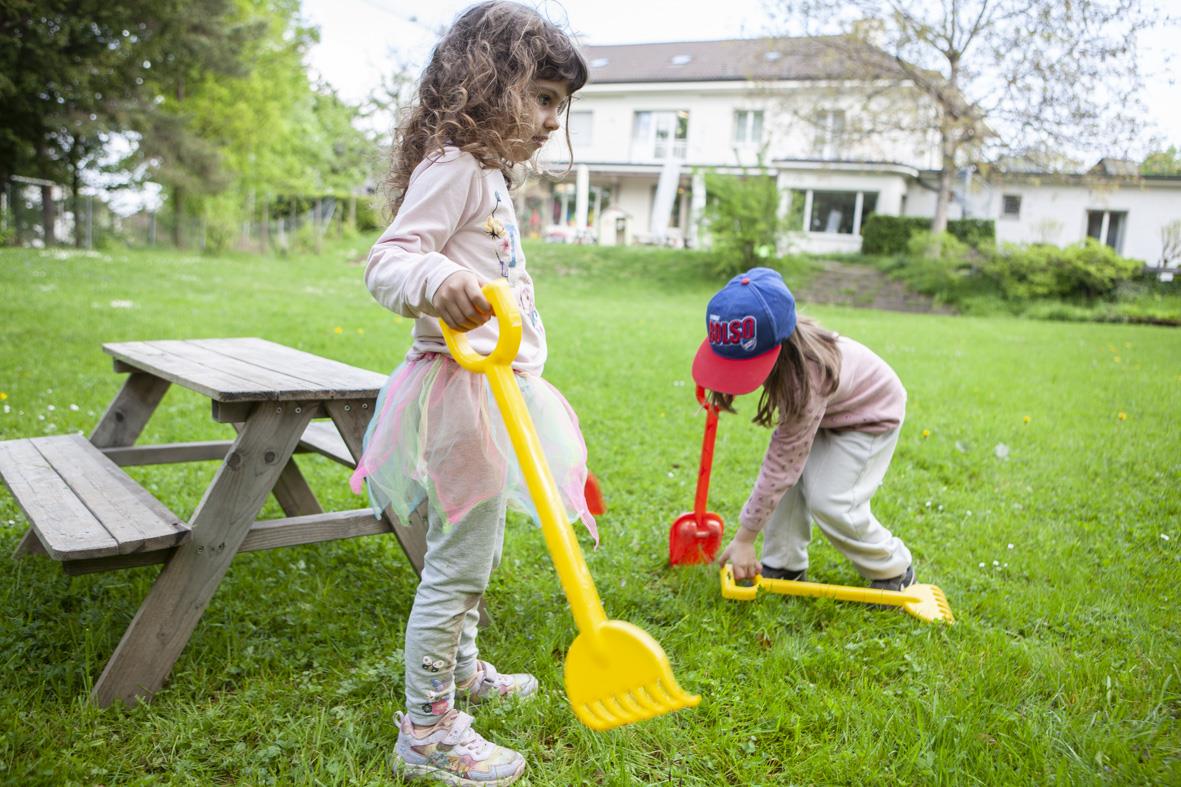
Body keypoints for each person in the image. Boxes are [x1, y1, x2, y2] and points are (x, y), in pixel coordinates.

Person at [347, 4, 591, 784]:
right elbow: (388, 261)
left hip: (496, 391)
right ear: (487, 84)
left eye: (562, 103)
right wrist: (440, 279)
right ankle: (426, 729)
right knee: (458, 563)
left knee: (470, 549)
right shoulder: (453, 166)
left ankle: (463, 672)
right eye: (544, 97)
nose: (554, 119)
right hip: (463, 393)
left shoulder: (486, 173)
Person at [692, 267, 916, 593]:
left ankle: (894, 568)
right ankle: (784, 564)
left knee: (832, 500)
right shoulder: (786, 349)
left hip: (870, 416)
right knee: (790, 480)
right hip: (830, 413)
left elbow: (781, 463)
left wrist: (745, 538)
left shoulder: (805, 379)